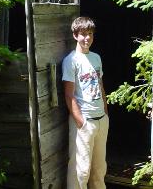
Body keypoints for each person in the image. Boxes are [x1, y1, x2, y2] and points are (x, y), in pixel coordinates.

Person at [62, 16, 109, 189]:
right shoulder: (71, 60)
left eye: (90, 34)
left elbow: (101, 86)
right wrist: (81, 122)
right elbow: (69, 94)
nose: (87, 38)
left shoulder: (96, 58)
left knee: (99, 169)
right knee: (80, 171)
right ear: (75, 35)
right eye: (83, 34)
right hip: (84, 122)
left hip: (101, 120)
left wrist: (105, 113)